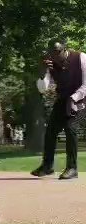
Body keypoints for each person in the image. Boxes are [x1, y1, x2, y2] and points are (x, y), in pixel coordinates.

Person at [31, 40, 86, 180]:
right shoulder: (50, 64)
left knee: (70, 127)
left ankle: (72, 168)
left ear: (64, 49)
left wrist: (74, 98)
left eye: (57, 52)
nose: (55, 56)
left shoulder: (81, 58)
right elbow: (42, 89)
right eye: (52, 53)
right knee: (50, 131)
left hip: (81, 99)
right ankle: (47, 166)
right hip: (63, 99)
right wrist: (42, 73)